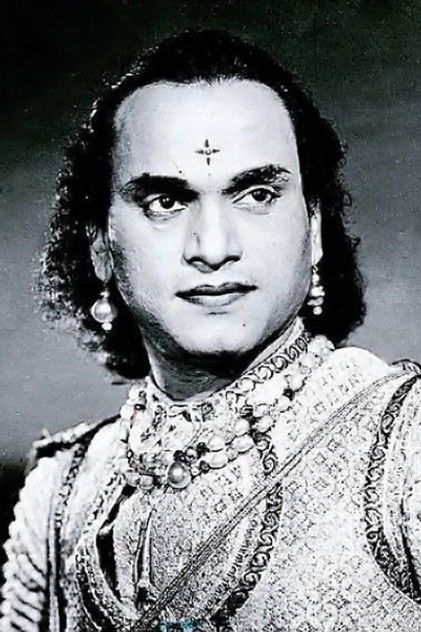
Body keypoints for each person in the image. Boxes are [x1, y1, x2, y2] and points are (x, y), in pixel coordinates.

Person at [2, 28, 421, 632]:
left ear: (313, 229)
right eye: (166, 203)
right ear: (100, 246)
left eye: (257, 194)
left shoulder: (405, 445)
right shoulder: (59, 495)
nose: (214, 247)